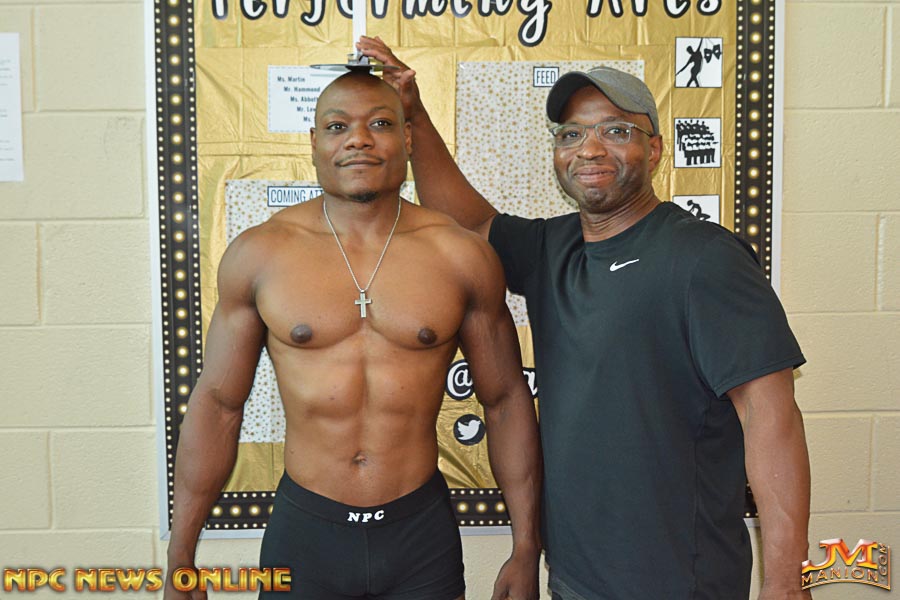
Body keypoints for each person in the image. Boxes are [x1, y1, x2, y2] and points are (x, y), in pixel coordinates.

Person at [358, 37, 813, 600]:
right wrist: (414, 113)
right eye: (571, 135)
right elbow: (466, 225)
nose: (589, 149)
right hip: (574, 577)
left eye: (615, 131)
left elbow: (772, 419)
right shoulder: (554, 248)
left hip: (679, 581)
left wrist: (786, 580)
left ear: (654, 150)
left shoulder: (703, 257)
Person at [165, 72, 542, 600]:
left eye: (380, 124)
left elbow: (504, 402)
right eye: (337, 126)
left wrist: (526, 547)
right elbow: (218, 404)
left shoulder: (460, 255)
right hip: (306, 532)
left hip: (419, 534)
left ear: (407, 138)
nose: (358, 139)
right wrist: (180, 554)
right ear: (314, 142)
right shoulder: (261, 254)